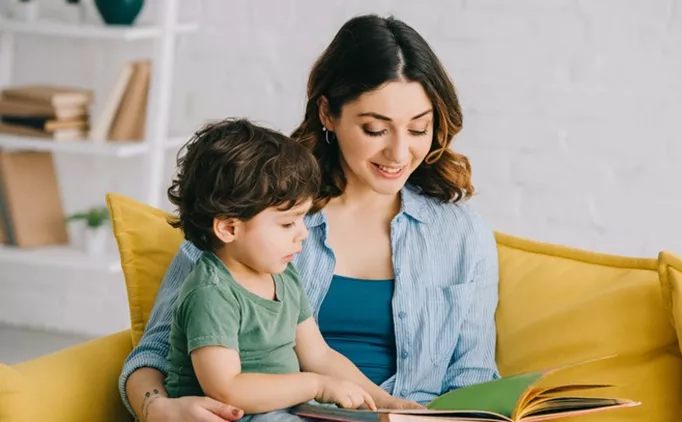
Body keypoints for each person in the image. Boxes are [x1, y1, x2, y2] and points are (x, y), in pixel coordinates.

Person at [119, 13, 500, 422]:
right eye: (375, 129)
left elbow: (472, 375)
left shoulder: (460, 233)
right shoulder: (254, 209)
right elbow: (154, 353)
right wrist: (158, 408)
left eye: (419, 129)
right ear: (327, 113)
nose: (400, 153)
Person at [160, 117, 405, 422]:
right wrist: (315, 385)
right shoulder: (212, 292)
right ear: (228, 228)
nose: (302, 233)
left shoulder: (283, 275)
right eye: (287, 223)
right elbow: (227, 390)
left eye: (302, 219)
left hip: (279, 413)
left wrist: (385, 401)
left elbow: (319, 355)